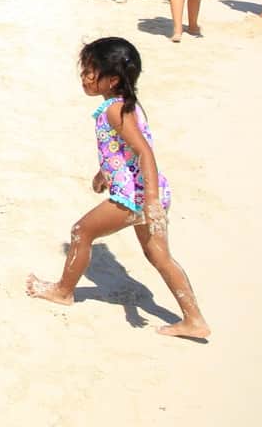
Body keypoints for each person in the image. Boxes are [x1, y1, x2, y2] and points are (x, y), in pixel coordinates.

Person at [26, 37, 210, 339]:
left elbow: (144, 153)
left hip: (135, 197)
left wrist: (148, 203)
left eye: (90, 71)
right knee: (160, 256)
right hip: (151, 191)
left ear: (112, 80)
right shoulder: (127, 106)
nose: (84, 76)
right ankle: (194, 319)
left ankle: (63, 291)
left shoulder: (114, 109)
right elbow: (123, 149)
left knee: (81, 232)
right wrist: (104, 173)